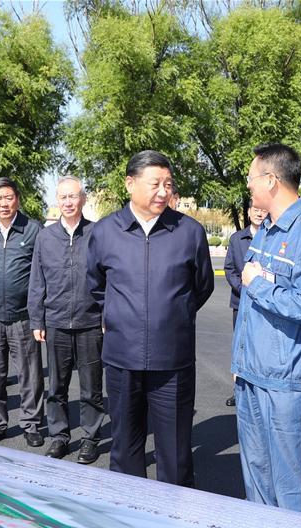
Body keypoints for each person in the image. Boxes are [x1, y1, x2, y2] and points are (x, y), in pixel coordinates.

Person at [87, 150, 214, 487]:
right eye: (155, 183)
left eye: (168, 184)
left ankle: (175, 514)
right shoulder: (105, 231)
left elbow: (202, 286)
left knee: (175, 452)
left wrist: (172, 315)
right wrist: (119, 316)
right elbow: (96, 285)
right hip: (122, 358)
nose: (163, 192)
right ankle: (129, 512)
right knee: (125, 447)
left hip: (172, 360)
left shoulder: (189, 232)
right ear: (130, 184)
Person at [231, 143, 301, 514]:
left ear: (271, 180)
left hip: (287, 381)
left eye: (252, 177)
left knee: (290, 484)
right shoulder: (266, 230)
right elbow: (251, 306)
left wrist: (258, 283)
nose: (248, 185)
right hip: (252, 374)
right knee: (256, 478)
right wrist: (240, 362)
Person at [28, 176, 105, 464]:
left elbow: (108, 278)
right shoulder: (45, 237)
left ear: (83, 199)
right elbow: (37, 281)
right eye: (63, 197)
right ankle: (59, 436)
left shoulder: (97, 234)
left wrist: (105, 315)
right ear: (57, 201)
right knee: (56, 388)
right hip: (56, 322)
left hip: (90, 322)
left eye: (74, 196)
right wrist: (37, 320)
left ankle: (90, 439)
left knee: (91, 388)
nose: (69, 202)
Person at [0, 177, 44, 447]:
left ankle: (31, 424)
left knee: (30, 375)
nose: (4, 203)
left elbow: (40, 273)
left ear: (17, 200)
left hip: (23, 317)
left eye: (8, 197)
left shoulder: (33, 230)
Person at [223, 204, 268, 407]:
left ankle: (260, 393)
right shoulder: (237, 239)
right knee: (240, 348)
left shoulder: (272, 238)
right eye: (255, 209)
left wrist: (260, 291)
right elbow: (230, 269)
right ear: (248, 212)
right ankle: (239, 391)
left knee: (262, 348)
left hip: (266, 303)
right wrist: (244, 289)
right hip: (241, 301)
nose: (259, 213)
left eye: (263, 210)